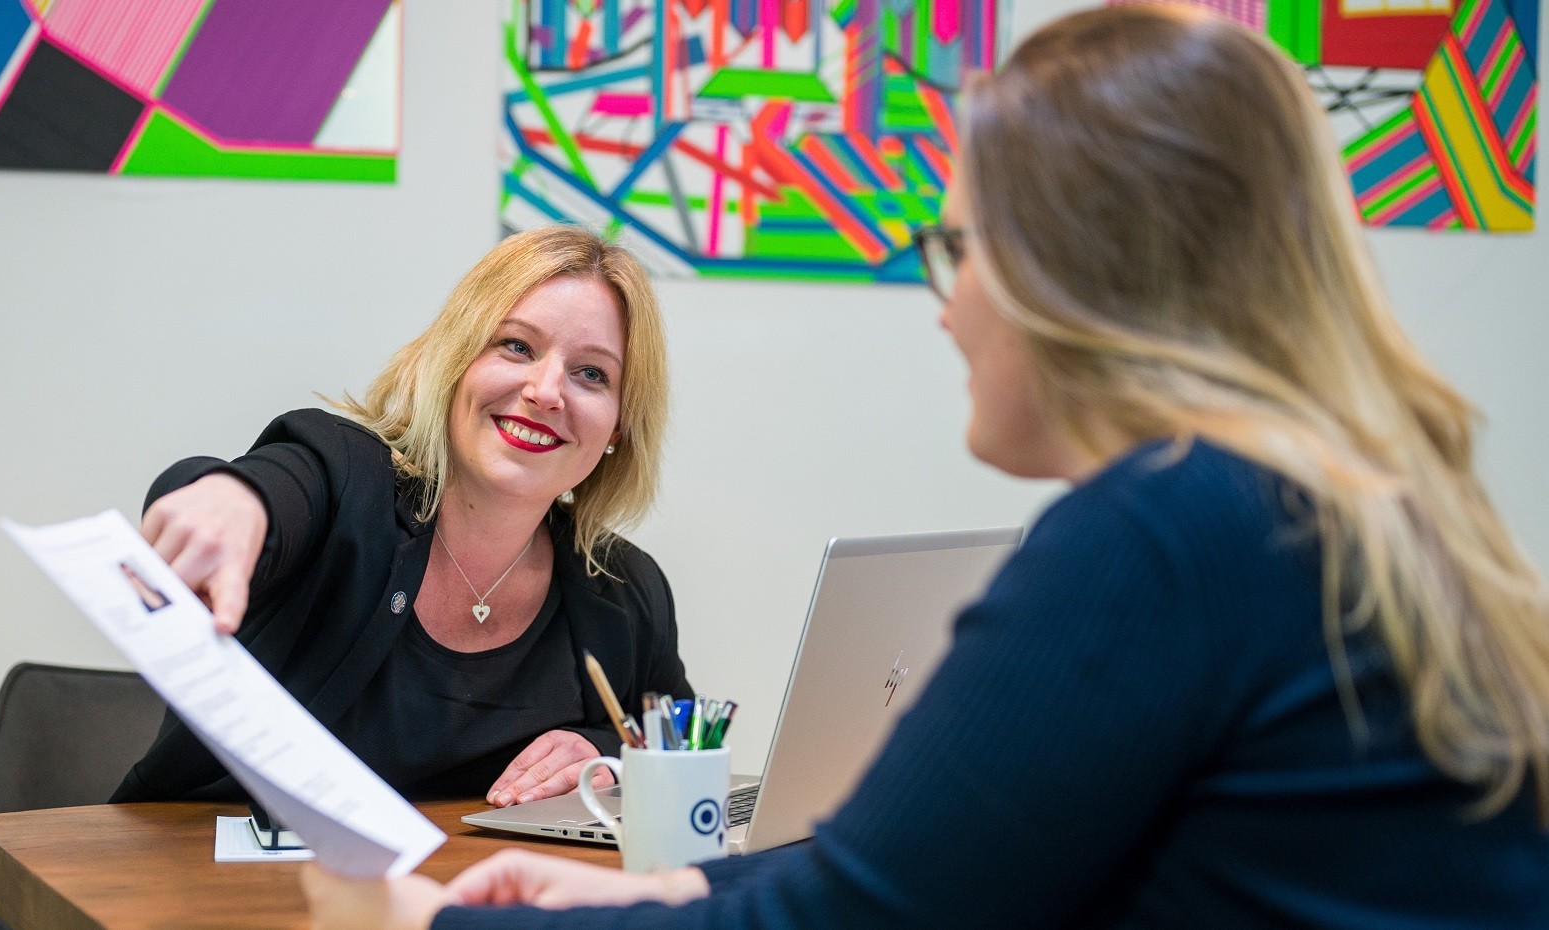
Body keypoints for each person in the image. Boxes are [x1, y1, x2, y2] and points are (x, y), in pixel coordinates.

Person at [301, 6, 1549, 927]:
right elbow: (915, 865)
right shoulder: (1318, 504)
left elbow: (859, 913)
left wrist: (431, 920)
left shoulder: (1170, 531)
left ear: (1077, 273)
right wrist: (679, 878)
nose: (946, 308)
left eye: (961, 247)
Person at [111, 226, 693, 807]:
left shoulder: (624, 588)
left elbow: (686, 749)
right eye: (516, 346)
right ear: (456, 361)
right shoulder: (345, 478)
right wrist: (229, 500)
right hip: (212, 881)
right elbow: (265, 488)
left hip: (468, 896)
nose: (546, 392)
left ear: (618, 425)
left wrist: (610, 758)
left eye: (592, 373)